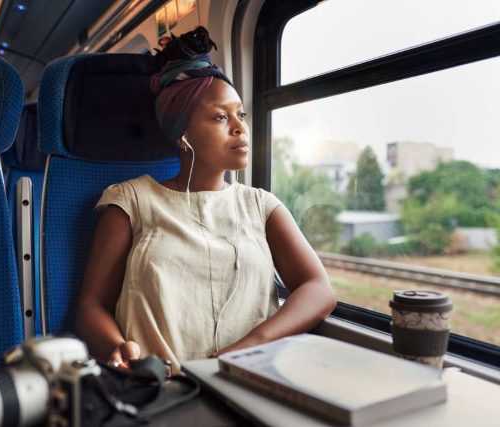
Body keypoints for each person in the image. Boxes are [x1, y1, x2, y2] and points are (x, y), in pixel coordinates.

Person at [76, 27, 336, 375]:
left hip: (247, 380)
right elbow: (92, 306)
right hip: (162, 386)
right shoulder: (131, 201)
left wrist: (253, 344)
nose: (240, 127)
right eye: (219, 117)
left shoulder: (261, 206)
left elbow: (319, 289)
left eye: (240, 115)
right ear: (182, 134)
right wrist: (118, 347)